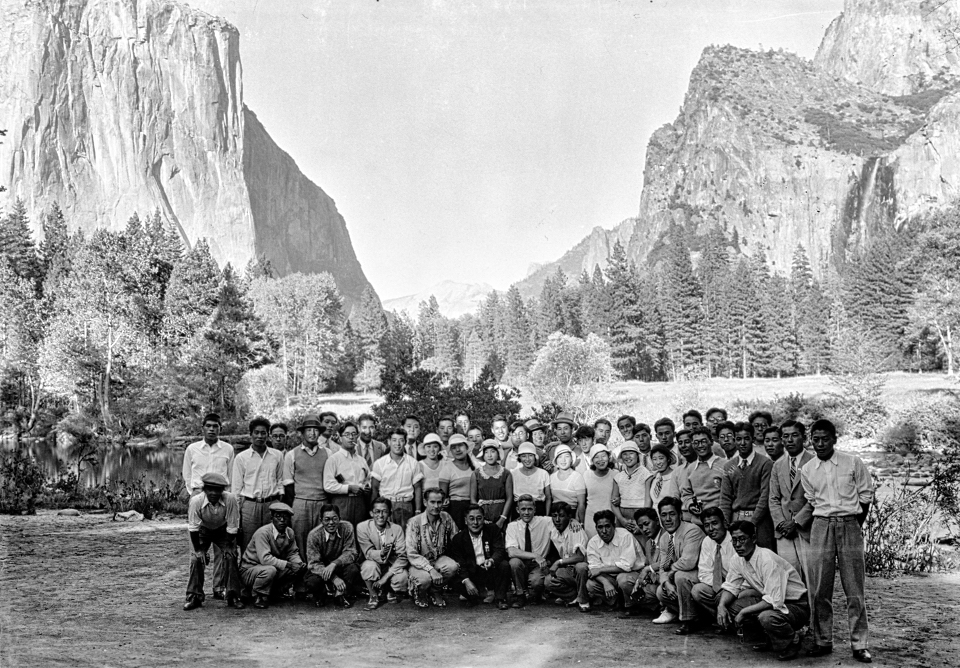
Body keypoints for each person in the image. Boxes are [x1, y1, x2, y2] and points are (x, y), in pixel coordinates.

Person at [800, 419, 874, 663]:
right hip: (821, 525)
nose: (820, 444)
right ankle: (823, 640)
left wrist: (853, 523)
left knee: (854, 587)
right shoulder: (808, 469)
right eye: (816, 439)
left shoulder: (852, 462)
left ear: (834, 439)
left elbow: (865, 495)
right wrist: (828, 522)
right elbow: (812, 500)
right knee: (820, 587)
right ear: (811, 440)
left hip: (850, 524)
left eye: (825, 439)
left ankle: (859, 644)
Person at [717, 521, 809, 661]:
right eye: (734, 540)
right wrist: (721, 606)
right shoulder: (737, 559)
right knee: (728, 603)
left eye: (742, 539)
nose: (737, 545)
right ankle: (768, 638)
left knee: (766, 617)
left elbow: (773, 600)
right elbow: (731, 586)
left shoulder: (767, 559)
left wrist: (744, 612)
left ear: (754, 538)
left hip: (796, 605)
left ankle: (792, 641)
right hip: (772, 601)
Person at [182, 412, 235, 601]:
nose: (212, 429)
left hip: (221, 496)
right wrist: (195, 493)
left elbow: (231, 476)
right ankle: (196, 592)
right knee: (198, 545)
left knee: (222, 546)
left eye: (215, 426)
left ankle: (219, 587)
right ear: (203, 428)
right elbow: (187, 475)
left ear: (220, 428)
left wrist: (227, 496)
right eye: (208, 426)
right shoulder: (192, 449)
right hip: (199, 494)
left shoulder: (228, 449)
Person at [183, 472, 242, 610]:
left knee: (231, 556)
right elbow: (193, 528)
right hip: (202, 530)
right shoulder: (196, 501)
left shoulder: (230, 499)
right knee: (196, 559)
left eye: (218, 490)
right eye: (210, 489)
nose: (214, 493)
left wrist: (228, 546)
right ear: (204, 489)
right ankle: (194, 596)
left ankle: (233, 595)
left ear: (223, 490)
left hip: (223, 530)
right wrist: (199, 550)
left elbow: (233, 526)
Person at [677, 506, 737, 634]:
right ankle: (720, 620)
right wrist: (719, 586)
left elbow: (740, 576)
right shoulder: (707, 541)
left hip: (737, 586)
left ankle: (732, 622)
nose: (711, 529)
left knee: (725, 596)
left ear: (724, 523)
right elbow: (704, 572)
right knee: (698, 590)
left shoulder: (735, 541)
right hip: (718, 584)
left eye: (715, 523)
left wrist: (726, 589)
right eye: (706, 525)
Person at [769, 420, 814, 591]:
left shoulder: (814, 462)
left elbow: (816, 498)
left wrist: (796, 522)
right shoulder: (778, 465)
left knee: (811, 575)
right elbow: (773, 498)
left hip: (807, 528)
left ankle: (814, 608)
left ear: (804, 438)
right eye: (785, 436)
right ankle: (795, 608)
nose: (790, 440)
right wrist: (781, 523)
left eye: (794, 435)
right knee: (789, 575)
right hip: (784, 532)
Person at [647, 496, 705, 624]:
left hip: (700, 576)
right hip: (679, 576)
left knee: (680, 577)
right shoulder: (664, 538)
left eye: (672, 514)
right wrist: (666, 582)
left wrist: (669, 573)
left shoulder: (692, 530)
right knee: (661, 592)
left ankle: (689, 620)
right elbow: (663, 567)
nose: (668, 519)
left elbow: (688, 562)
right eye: (664, 515)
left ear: (680, 515)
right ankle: (695, 614)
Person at [239, 502, 308, 609]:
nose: (282, 520)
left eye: (285, 517)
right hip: (250, 570)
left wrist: (298, 564)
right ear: (271, 518)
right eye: (278, 516)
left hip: (271, 569)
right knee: (270, 570)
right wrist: (289, 565)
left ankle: (274, 592)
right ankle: (257, 595)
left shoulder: (289, 532)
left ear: (290, 519)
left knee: (298, 568)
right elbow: (265, 559)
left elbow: (292, 552)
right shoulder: (263, 533)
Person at [282, 414, 330, 568]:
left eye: (315, 430)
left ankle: (320, 573)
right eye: (308, 430)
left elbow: (333, 478)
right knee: (300, 539)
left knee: (322, 538)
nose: (312, 433)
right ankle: (302, 575)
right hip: (301, 502)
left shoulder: (328, 453)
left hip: (322, 501)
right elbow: (288, 484)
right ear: (302, 433)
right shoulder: (292, 455)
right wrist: (295, 506)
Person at [232, 417, 284, 553]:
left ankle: (271, 567)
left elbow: (280, 480)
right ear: (251, 434)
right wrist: (236, 515)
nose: (260, 436)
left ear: (268, 435)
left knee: (272, 542)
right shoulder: (241, 458)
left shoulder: (277, 455)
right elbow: (236, 489)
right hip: (250, 505)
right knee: (248, 544)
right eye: (256, 432)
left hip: (272, 504)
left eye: (263, 433)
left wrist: (279, 500)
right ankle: (247, 567)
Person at [720, 422, 775, 549]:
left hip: (759, 521)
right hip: (736, 519)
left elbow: (765, 496)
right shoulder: (729, 466)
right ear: (734, 440)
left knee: (762, 555)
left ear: (753, 440)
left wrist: (753, 522)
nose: (742, 443)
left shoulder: (765, 463)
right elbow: (725, 498)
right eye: (738, 439)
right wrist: (726, 522)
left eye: (746, 438)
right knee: (738, 555)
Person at [448, 504, 511, 609]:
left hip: (488, 569)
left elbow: (499, 550)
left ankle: (500, 598)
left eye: (479, 518)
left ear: (484, 519)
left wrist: (492, 560)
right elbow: (460, 561)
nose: (475, 523)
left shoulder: (493, 530)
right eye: (471, 519)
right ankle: (476, 595)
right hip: (471, 572)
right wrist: (466, 580)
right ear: (465, 521)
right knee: (454, 575)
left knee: (504, 565)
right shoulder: (459, 538)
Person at [406, 487, 460, 608]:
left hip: (438, 559)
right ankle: (421, 593)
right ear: (425, 502)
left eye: (439, 502)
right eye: (432, 502)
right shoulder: (414, 522)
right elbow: (411, 553)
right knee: (424, 579)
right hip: (419, 563)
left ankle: (435, 591)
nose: (436, 506)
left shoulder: (446, 517)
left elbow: (456, 539)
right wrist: (431, 570)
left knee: (452, 566)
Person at [356, 497, 409, 610]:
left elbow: (403, 557)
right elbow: (368, 553)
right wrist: (382, 552)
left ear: (389, 513)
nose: (380, 515)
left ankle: (389, 590)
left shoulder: (397, 529)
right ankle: (373, 594)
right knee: (369, 567)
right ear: (371, 513)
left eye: (384, 511)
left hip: (390, 564)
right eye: (377, 512)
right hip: (372, 562)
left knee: (402, 577)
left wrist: (384, 578)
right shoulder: (362, 527)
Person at [305, 504, 361, 608]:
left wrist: (335, 564)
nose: (331, 523)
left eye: (334, 519)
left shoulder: (347, 527)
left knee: (353, 569)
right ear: (321, 520)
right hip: (322, 569)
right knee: (312, 582)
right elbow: (314, 563)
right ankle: (322, 594)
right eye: (327, 519)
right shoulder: (314, 535)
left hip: (339, 566)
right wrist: (334, 578)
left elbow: (351, 552)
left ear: (339, 518)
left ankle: (340, 594)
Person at [585, 510, 641, 611]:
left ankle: (631, 605)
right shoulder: (593, 542)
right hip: (611, 577)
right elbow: (594, 569)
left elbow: (627, 566)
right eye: (600, 527)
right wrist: (605, 582)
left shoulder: (625, 536)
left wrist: (601, 570)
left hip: (634, 573)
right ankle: (616, 602)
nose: (604, 531)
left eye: (607, 526)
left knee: (622, 579)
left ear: (614, 526)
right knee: (591, 584)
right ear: (596, 528)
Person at [506, 495, 555, 607]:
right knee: (514, 562)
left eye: (530, 509)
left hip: (539, 565)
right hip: (522, 563)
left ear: (535, 509)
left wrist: (573, 521)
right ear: (517, 510)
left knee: (536, 582)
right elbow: (512, 552)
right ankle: (520, 595)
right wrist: (535, 555)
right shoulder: (512, 526)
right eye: (523, 509)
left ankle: (537, 594)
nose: (526, 513)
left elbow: (561, 519)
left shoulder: (545, 522)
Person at [371, 428, 424, 528]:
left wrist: (418, 510)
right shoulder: (379, 463)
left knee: (405, 534)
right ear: (389, 442)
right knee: (385, 534)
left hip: (406, 505)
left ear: (405, 442)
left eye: (401, 440)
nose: (398, 444)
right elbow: (374, 489)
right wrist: (373, 509)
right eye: (394, 440)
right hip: (385, 504)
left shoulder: (413, 463)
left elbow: (418, 488)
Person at [323, 421, 371, 526]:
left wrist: (367, 486)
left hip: (360, 502)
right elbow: (328, 485)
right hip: (341, 502)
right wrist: (349, 488)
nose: (351, 437)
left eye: (354, 434)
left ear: (357, 437)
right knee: (342, 530)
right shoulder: (333, 459)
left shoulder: (361, 460)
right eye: (347, 434)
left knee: (359, 530)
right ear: (340, 438)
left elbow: (368, 478)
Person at [544, 502, 590, 611]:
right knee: (548, 580)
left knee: (580, 567)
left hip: (586, 571)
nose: (557, 520)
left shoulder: (576, 529)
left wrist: (558, 562)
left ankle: (584, 601)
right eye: (554, 516)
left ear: (569, 516)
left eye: (561, 516)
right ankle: (573, 596)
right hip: (569, 570)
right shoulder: (553, 528)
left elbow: (580, 557)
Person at [679, 426, 725, 527]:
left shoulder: (725, 465)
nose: (700, 446)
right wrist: (690, 505)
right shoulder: (690, 468)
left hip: (720, 522)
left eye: (703, 441)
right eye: (696, 443)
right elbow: (686, 494)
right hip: (697, 523)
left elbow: (730, 495)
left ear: (711, 442)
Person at [470, 439, 514, 529]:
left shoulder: (506, 473)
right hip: (482, 515)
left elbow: (509, 498)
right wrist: (480, 517)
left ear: (498, 453)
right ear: (483, 455)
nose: (489, 455)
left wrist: (502, 519)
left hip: (501, 513)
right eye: (486, 452)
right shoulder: (476, 474)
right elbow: (473, 499)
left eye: (493, 451)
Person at [612, 442, 651, 532]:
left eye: (631, 453)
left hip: (641, 515)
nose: (628, 457)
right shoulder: (618, 477)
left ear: (637, 455)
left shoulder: (646, 474)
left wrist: (641, 522)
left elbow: (648, 501)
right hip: (622, 516)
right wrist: (622, 520)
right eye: (625, 454)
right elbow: (613, 503)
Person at [583, 443, 615, 539]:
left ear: (608, 457)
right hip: (591, 519)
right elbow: (582, 500)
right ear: (592, 460)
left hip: (610, 519)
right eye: (596, 457)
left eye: (603, 456)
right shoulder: (586, 475)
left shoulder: (616, 475)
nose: (600, 460)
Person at [444, 434, 476, 530]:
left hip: (473, 506)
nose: (457, 450)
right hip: (455, 508)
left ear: (466, 447)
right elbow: (443, 495)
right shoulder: (447, 468)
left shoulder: (475, 467)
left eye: (460, 446)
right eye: (454, 447)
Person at [549, 445, 586, 524]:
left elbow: (581, 504)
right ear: (556, 461)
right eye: (560, 457)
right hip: (555, 516)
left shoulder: (577, 477)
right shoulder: (551, 477)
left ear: (571, 459)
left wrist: (581, 523)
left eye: (567, 456)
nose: (563, 460)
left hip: (571, 515)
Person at [512, 443, 551, 516]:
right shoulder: (513, 474)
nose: (527, 459)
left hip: (538, 510)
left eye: (530, 455)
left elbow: (548, 497)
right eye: (523, 456)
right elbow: (510, 498)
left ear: (535, 456)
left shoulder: (543, 473)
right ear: (519, 457)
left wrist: (547, 516)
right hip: (519, 511)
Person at [646, 444, 680, 509]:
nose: (658, 462)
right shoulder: (653, 478)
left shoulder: (675, 476)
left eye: (661, 458)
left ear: (668, 459)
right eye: (654, 459)